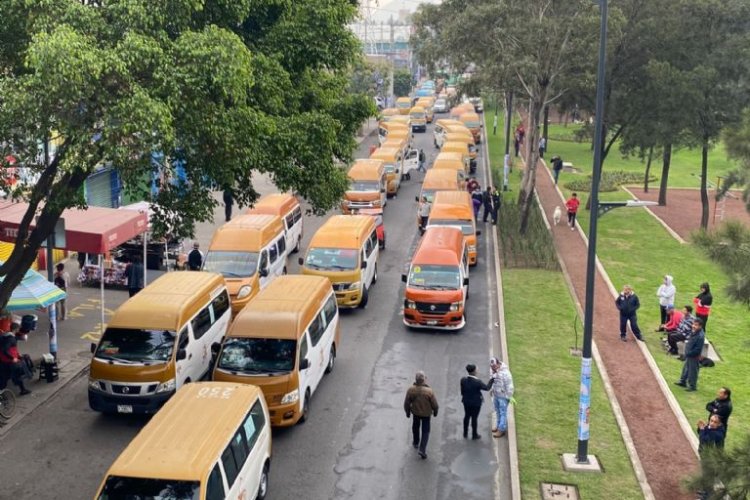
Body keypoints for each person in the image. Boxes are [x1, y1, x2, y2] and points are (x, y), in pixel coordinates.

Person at [404, 370, 439, 459]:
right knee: (425, 431)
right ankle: (422, 449)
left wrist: (407, 412)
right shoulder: (429, 391)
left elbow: (407, 403)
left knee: (415, 427)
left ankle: (416, 442)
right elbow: (435, 404)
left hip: (415, 412)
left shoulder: (411, 390)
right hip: (426, 414)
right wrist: (435, 412)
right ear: (424, 380)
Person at [460, 364, 493, 439]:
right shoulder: (478, 382)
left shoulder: (463, 380)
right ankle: (474, 434)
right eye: (476, 369)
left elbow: (462, 391)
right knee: (474, 418)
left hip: (466, 401)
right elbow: (487, 388)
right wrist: (492, 380)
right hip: (476, 403)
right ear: (474, 371)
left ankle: (465, 433)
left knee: (467, 416)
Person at [0, 324, 31, 395]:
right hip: (9, 362)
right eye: (18, 329)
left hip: (4, 360)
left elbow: (12, 349)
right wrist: (13, 358)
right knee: (14, 376)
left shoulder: (5, 336)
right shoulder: (11, 338)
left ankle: (22, 390)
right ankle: (22, 390)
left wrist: (18, 355)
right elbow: (4, 350)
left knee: (5, 378)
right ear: (16, 329)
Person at [675, 318, 706, 391]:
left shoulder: (700, 336)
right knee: (686, 369)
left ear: (700, 326)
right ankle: (683, 381)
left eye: (696, 325)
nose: (693, 326)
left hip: (693, 356)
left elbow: (698, 349)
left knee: (693, 371)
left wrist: (689, 353)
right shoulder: (695, 331)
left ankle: (692, 386)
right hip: (689, 355)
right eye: (693, 324)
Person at [490, 357, 514, 438]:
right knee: (497, 411)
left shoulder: (505, 373)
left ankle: (501, 429)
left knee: (502, 412)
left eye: (494, 367)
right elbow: (493, 382)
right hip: (496, 395)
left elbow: (509, 386)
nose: (492, 368)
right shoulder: (494, 371)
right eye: (491, 367)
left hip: (503, 397)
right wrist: (492, 390)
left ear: (498, 364)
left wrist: (508, 396)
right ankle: (498, 425)